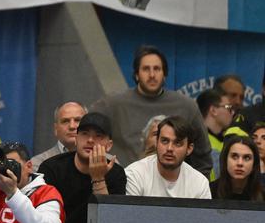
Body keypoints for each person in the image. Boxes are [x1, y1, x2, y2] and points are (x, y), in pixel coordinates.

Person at [91, 45, 214, 173]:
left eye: (157, 69)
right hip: (125, 181)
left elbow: (203, 157)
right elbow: (86, 136)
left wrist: (196, 183)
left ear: (164, 75)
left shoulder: (186, 106)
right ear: (136, 75)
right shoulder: (112, 104)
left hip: (174, 182)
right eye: (146, 69)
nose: (152, 75)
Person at [39, 112, 128, 223]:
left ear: (109, 145)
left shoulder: (116, 174)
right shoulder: (51, 168)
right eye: (85, 134)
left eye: (98, 136)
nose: (90, 140)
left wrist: (98, 179)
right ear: (76, 139)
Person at [124, 116, 212, 198]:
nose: (169, 148)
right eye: (164, 141)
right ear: (157, 143)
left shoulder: (199, 183)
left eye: (177, 143)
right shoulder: (135, 174)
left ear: (189, 149)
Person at [197, 86, 245, 180]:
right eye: (228, 107)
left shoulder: (229, 139)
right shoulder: (197, 142)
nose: (232, 112)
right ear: (213, 110)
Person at [30, 102, 87, 169]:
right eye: (65, 121)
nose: (72, 126)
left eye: (77, 120)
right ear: (56, 129)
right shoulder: (39, 163)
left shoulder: (96, 160)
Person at [210, 135, 264, 200]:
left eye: (246, 158)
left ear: (254, 163)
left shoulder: (263, 195)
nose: (240, 163)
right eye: (234, 156)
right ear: (225, 160)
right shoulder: (209, 191)